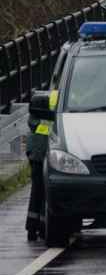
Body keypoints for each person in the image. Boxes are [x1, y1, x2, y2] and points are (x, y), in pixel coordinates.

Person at [25, 89, 56, 241]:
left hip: (36, 151)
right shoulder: (55, 97)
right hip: (41, 152)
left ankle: (35, 227)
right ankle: (39, 227)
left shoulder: (44, 97)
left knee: (39, 190)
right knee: (42, 190)